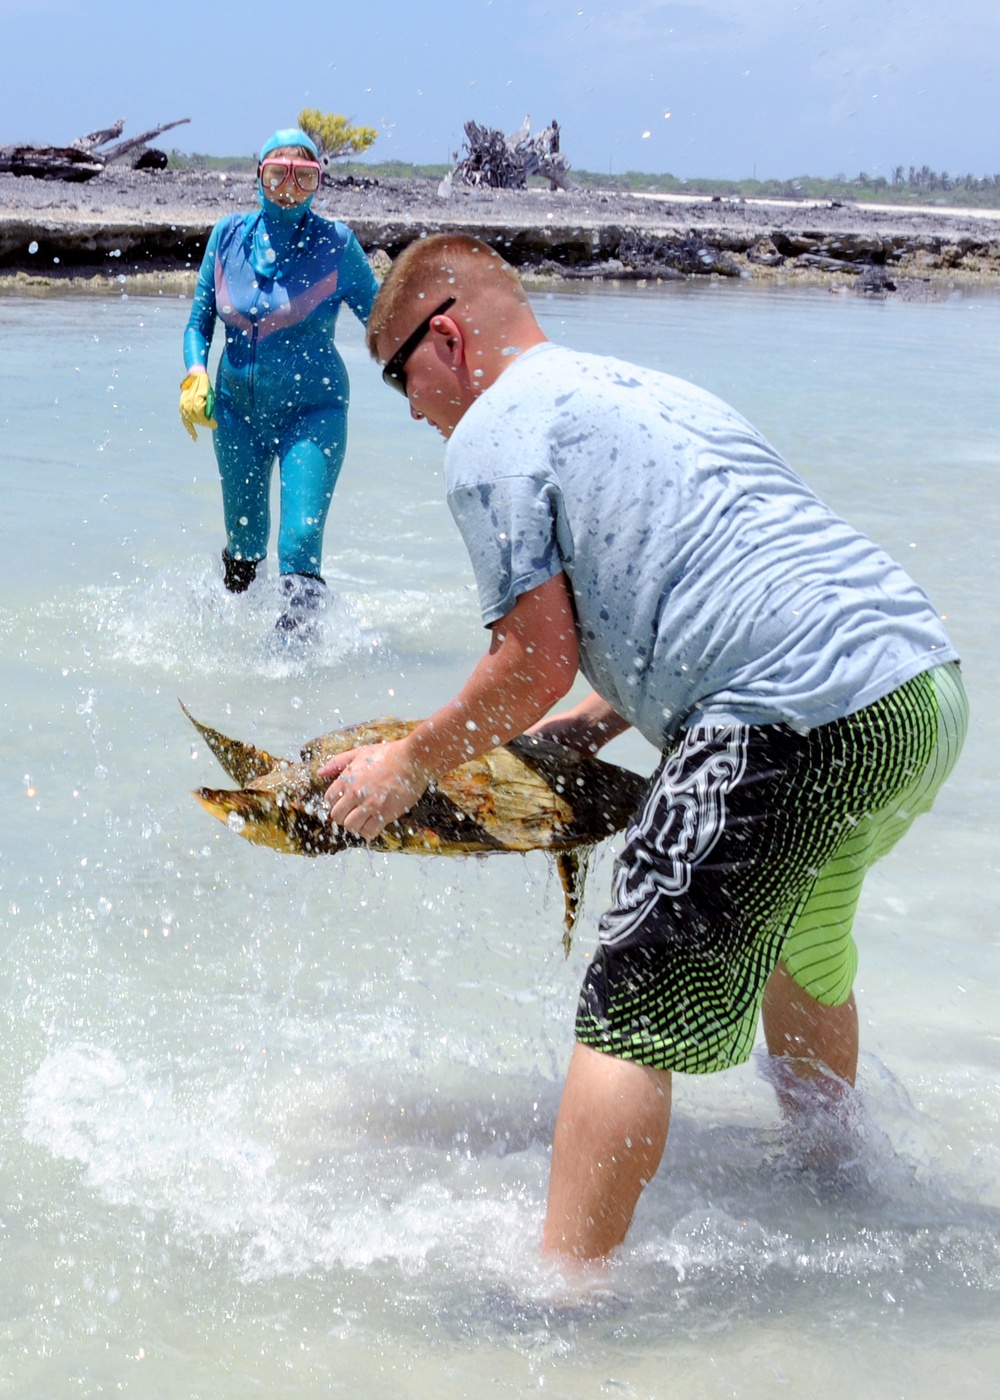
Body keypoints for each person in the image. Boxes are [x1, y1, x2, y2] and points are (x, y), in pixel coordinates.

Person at [319, 233, 968, 1261]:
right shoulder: (646, 388)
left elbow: (529, 659)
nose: (408, 406)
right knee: (797, 941)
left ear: (444, 335)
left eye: (400, 375)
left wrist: (408, 765)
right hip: (916, 691)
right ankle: (837, 1182)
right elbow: (712, 564)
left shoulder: (489, 435)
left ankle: (564, 1307)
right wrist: (595, 718)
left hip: (786, 710)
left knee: (626, 1002)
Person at [179, 127, 378, 630]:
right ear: (258, 176)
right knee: (244, 544)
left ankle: (295, 666)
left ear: (319, 183)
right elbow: (199, 321)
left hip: (313, 414)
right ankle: (234, 656)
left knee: (298, 541)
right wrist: (196, 373)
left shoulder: (337, 244)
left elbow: (386, 324)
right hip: (236, 413)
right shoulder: (227, 236)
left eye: (304, 178)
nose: (288, 189)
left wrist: (429, 380)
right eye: (276, 175)